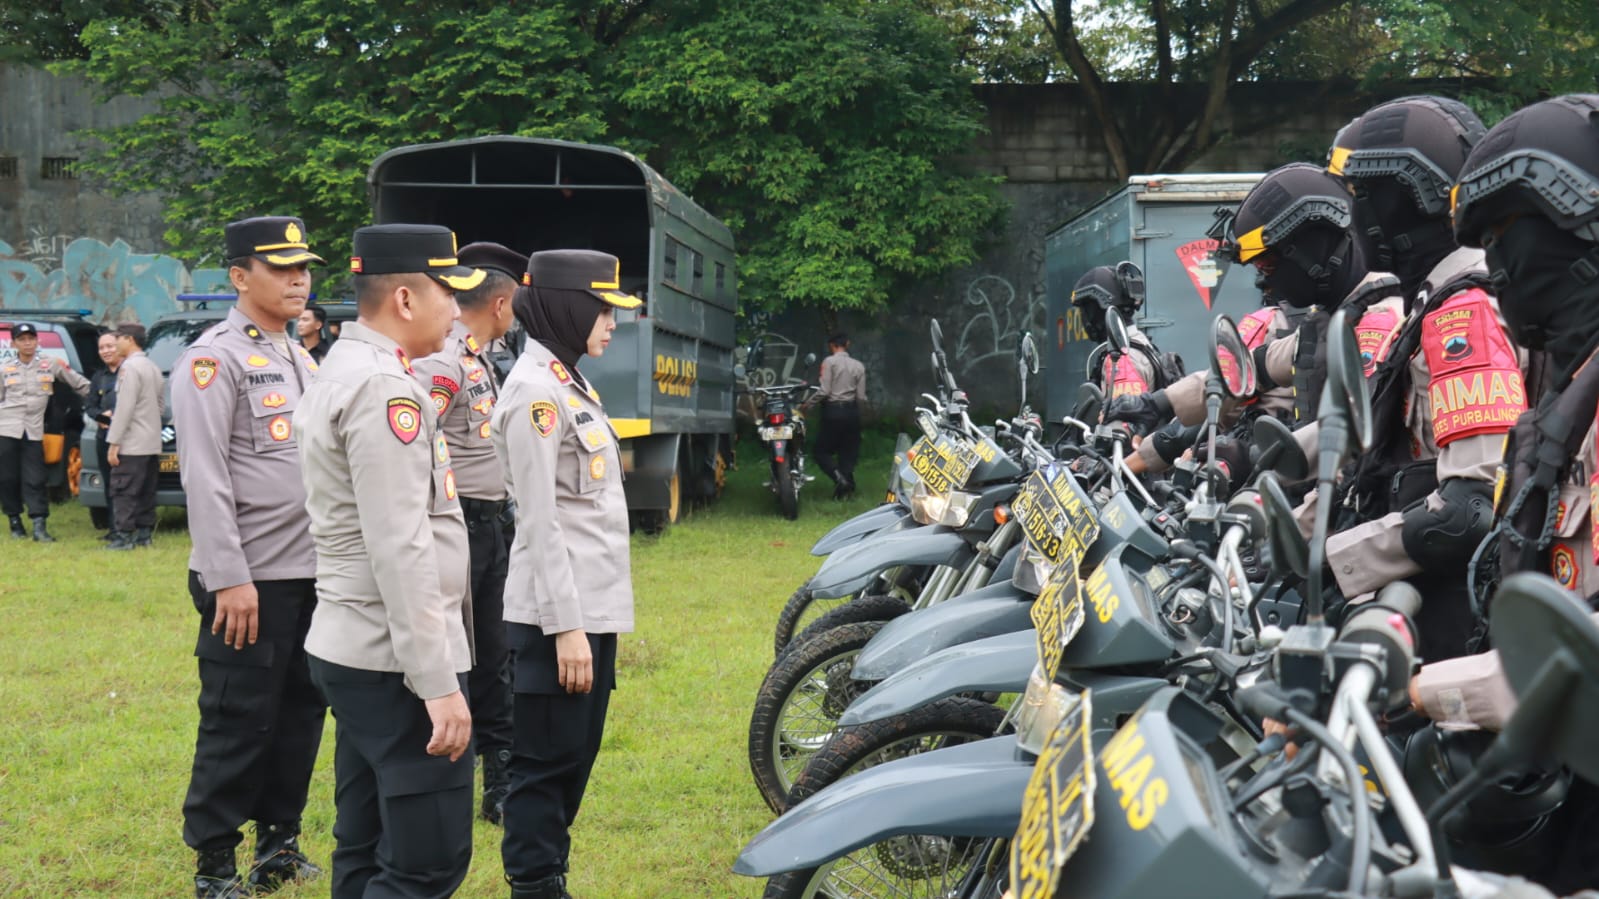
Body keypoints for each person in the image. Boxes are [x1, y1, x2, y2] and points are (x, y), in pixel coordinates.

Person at [297, 223, 479, 899]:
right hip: (393, 658)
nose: (457, 311)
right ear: (405, 298)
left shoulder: (349, 369)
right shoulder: (383, 389)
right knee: (423, 865)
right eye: (447, 294)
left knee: (365, 844)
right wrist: (436, 681)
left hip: (361, 643)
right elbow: (400, 544)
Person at [1314, 96, 1512, 660]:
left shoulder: (1462, 312)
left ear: (1411, 197)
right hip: (1417, 597)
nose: (1355, 214)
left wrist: (1334, 561)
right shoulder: (1430, 301)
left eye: (1365, 195)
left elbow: (1467, 510)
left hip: (1449, 624)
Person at [170, 216, 329, 898]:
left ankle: (278, 845)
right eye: (281, 267)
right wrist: (229, 577)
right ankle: (215, 865)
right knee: (238, 718)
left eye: (304, 267)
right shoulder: (214, 359)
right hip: (251, 578)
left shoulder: (302, 357)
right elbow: (203, 476)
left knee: (299, 713)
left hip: (309, 573)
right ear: (239, 276)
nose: (299, 279)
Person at [492, 249, 638, 899]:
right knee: (545, 764)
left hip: (590, 609)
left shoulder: (567, 381)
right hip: (557, 616)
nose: (612, 322)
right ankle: (534, 883)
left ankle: (549, 873)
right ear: (567, 307)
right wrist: (566, 628)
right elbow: (539, 519)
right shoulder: (535, 393)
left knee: (574, 756)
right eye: (602, 309)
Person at [1105, 164, 1405, 438]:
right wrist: (1158, 403)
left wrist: (1253, 456)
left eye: (1267, 265)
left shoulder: (1379, 321)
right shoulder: (1327, 323)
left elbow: (1351, 436)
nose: (1264, 280)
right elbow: (1249, 370)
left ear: (1312, 249)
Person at [411, 240, 524, 825]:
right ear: (500, 305)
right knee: (465, 652)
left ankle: (499, 777)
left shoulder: (477, 358)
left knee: (496, 652)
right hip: (462, 526)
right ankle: (462, 768)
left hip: (491, 523)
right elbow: (416, 447)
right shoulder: (444, 362)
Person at [0, 321, 91, 542]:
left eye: (31, 339)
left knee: (36, 477)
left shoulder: (50, 364)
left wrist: (101, 400)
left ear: (37, 341)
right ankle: (15, 521)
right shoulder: (5, 368)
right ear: (14, 344)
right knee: (8, 477)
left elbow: (80, 383)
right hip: (6, 429)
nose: (27, 343)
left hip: (34, 430)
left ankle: (39, 524)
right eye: (22, 340)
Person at [105, 322, 165, 549]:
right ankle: (144, 535)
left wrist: (114, 442)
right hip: (151, 441)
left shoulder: (129, 368)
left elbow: (125, 408)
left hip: (131, 442)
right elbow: (160, 406)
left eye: (118, 339)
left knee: (124, 490)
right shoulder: (152, 366)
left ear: (129, 340)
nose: (115, 344)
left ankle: (124, 536)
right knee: (146, 491)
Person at [1073, 262, 1171, 399]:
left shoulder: (1122, 359)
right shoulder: (1140, 344)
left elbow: (1125, 413)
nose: (1084, 318)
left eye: (1086, 309)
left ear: (1098, 308)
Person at [809, 332, 867, 499]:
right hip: (852, 412)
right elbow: (861, 396)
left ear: (831, 346)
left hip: (833, 411)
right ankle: (846, 489)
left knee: (821, 451)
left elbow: (824, 391)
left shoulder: (829, 362)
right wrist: (859, 414)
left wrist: (808, 404)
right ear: (847, 344)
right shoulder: (859, 366)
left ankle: (839, 479)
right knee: (848, 452)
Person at [85, 329, 122, 538]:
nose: (105, 351)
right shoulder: (99, 377)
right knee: (108, 483)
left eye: (110, 346)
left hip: (126, 438)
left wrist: (115, 415)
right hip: (104, 437)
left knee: (125, 484)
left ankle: (128, 527)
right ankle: (113, 528)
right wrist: (101, 417)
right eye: (101, 348)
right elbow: (90, 406)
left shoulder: (129, 372)